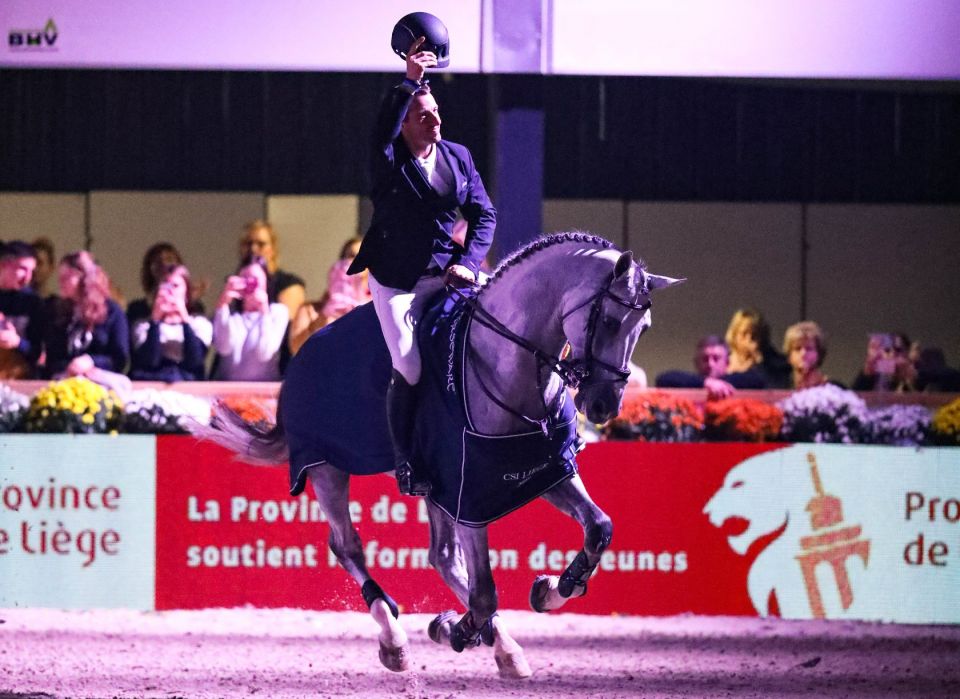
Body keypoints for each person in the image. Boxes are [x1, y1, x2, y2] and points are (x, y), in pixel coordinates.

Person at [346, 37, 496, 495]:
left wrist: (470, 262)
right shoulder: (389, 159)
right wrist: (409, 83)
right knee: (409, 364)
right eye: (424, 115)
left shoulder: (458, 157)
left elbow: (484, 214)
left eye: (437, 113)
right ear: (406, 122)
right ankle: (406, 459)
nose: (436, 121)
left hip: (449, 272)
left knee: (504, 321)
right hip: (397, 281)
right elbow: (380, 130)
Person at [44, 251, 129, 379]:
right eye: (60, 277)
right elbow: (52, 358)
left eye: (66, 277)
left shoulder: (111, 311)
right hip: (65, 381)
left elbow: (119, 358)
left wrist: (91, 361)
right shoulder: (58, 311)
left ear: (84, 278)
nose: (61, 282)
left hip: (100, 382)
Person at [211, 254, 289, 381]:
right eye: (244, 279)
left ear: (266, 282)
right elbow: (223, 347)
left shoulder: (277, 312)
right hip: (229, 390)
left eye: (255, 280)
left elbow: (265, 352)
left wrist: (264, 311)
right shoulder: (230, 314)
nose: (249, 284)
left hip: (263, 391)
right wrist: (223, 303)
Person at [288, 237, 370, 356]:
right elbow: (296, 351)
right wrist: (319, 323)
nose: (355, 263)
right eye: (351, 256)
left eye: (361, 258)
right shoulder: (310, 311)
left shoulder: (378, 310)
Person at [129, 264, 212, 382]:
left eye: (175, 286)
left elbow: (195, 360)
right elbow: (149, 361)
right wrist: (155, 320)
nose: (170, 291)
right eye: (166, 285)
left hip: (189, 388)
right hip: (152, 387)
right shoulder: (143, 325)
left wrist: (184, 320)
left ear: (186, 293)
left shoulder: (200, 323)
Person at [127, 242, 207, 327]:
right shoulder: (137, 309)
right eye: (157, 261)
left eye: (169, 260)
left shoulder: (195, 307)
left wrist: (188, 303)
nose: (164, 264)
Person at [238, 221, 305, 321]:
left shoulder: (289, 284)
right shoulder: (239, 283)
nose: (253, 249)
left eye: (261, 244)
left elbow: (288, 328)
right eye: (249, 244)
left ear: (273, 249)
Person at [0, 241, 44, 378]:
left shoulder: (33, 302)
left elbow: (38, 353)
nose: (28, 277)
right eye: (23, 269)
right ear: (3, 266)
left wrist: (17, 342)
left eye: (31, 271)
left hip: (18, 378)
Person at [723, 308, 790, 389]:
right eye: (744, 333)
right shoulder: (723, 359)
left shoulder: (772, 362)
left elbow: (774, 386)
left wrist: (759, 362)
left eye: (754, 335)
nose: (749, 339)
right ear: (734, 335)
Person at [655, 335, 737, 399]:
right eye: (705, 359)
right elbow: (663, 379)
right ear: (696, 362)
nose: (710, 364)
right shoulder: (691, 383)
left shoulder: (737, 382)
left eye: (716, 358)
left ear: (727, 362)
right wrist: (705, 382)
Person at [852, 332, 916, 391]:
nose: (892, 354)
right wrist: (866, 375)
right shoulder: (873, 372)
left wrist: (909, 382)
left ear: (908, 352)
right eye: (887, 350)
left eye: (898, 350)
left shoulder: (916, 373)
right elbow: (852, 397)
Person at [783, 321, 835, 389]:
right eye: (797, 349)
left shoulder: (835, 389)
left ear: (819, 354)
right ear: (789, 356)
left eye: (809, 349)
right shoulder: (778, 387)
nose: (803, 353)